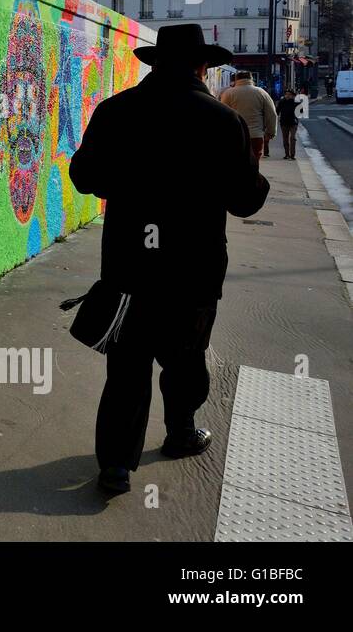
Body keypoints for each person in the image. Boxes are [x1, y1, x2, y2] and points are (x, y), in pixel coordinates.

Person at [69, 24, 270, 495]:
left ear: (155, 64)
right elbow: (245, 201)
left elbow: (84, 177)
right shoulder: (222, 122)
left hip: (129, 267)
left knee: (127, 367)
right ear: (203, 66)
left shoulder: (116, 111)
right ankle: (180, 432)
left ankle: (116, 466)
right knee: (186, 357)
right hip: (194, 269)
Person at [219, 71, 277, 163]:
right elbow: (271, 114)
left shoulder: (228, 93)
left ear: (236, 79)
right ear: (251, 79)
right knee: (254, 164)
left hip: (235, 135)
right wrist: (270, 132)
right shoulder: (261, 92)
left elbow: (222, 115)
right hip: (256, 135)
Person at [277, 89, 300, 159]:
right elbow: (277, 111)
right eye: (286, 94)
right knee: (285, 139)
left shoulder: (296, 102)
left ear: (293, 96)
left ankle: (292, 155)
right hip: (284, 122)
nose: (287, 96)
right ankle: (287, 154)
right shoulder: (282, 102)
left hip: (293, 123)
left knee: (293, 138)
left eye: (289, 94)